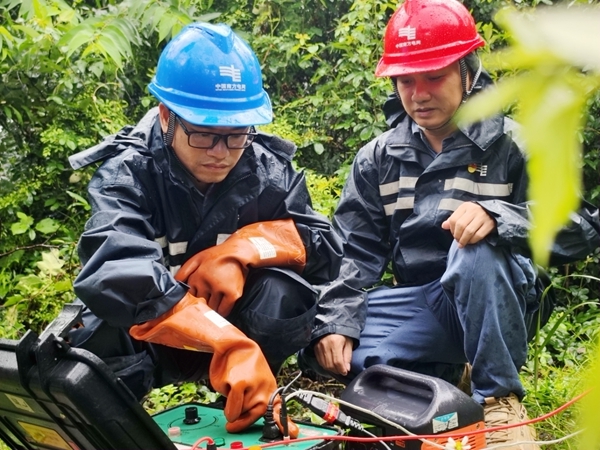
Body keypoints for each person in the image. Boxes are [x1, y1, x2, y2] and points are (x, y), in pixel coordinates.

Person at [299, 0, 600, 449]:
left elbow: (581, 227)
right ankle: (441, 376)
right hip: (427, 301)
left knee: (474, 250)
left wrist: (501, 219)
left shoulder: (518, 143)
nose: (418, 93)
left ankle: (499, 403)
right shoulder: (378, 158)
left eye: (433, 76)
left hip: (506, 301)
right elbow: (354, 254)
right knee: (325, 345)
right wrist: (336, 323)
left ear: (467, 70)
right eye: (405, 79)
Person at [67, 22, 343, 434]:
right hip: (155, 343)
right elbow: (114, 268)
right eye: (203, 135)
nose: (221, 153)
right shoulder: (128, 172)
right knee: (93, 332)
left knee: (283, 291)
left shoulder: (265, 169)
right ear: (166, 117)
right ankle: (112, 433)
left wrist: (243, 248)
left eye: (235, 136)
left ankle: (249, 409)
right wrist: (225, 343)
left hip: (237, 323)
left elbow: (324, 246)